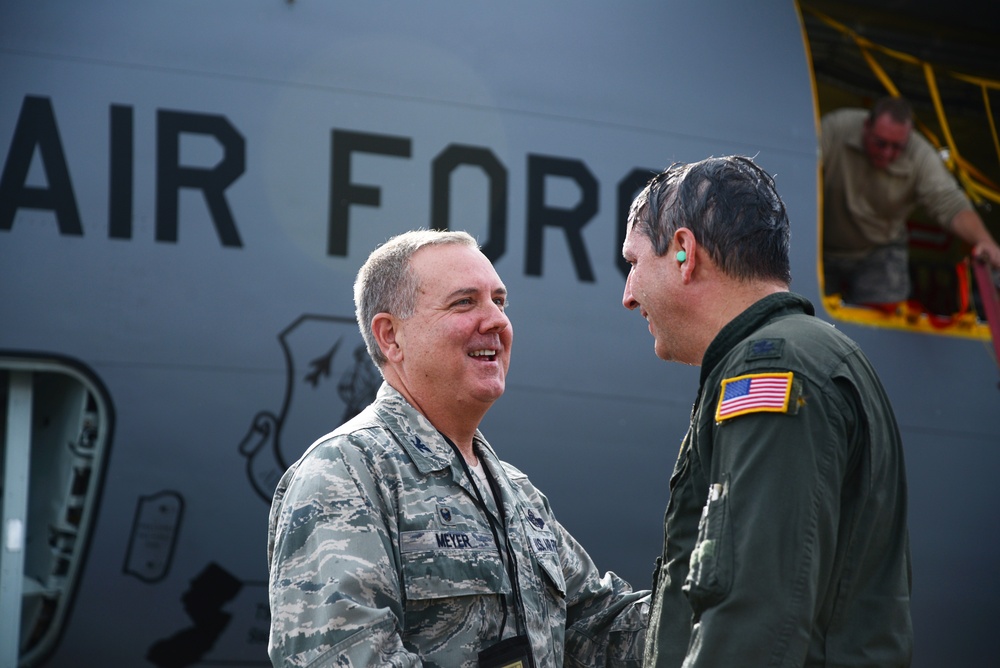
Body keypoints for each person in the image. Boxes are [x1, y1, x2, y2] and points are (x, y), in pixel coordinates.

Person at [267, 229, 648, 667]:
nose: (496, 321)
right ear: (390, 336)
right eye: (464, 302)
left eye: (499, 302)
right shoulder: (345, 474)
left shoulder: (516, 493)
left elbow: (599, 631)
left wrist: (722, 587)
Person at [621, 156, 912, 666]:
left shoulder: (773, 370)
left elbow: (755, 616)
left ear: (684, 253)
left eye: (634, 263)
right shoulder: (803, 357)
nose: (628, 295)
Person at [821, 95, 1000, 311]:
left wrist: (985, 242)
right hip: (822, 246)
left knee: (884, 323)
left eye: (897, 147)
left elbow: (949, 203)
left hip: (879, 251)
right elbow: (798, 172)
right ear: (866, 126)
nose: (887, 153)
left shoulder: (920, 154)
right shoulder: (836, 128)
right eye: (880, 143)